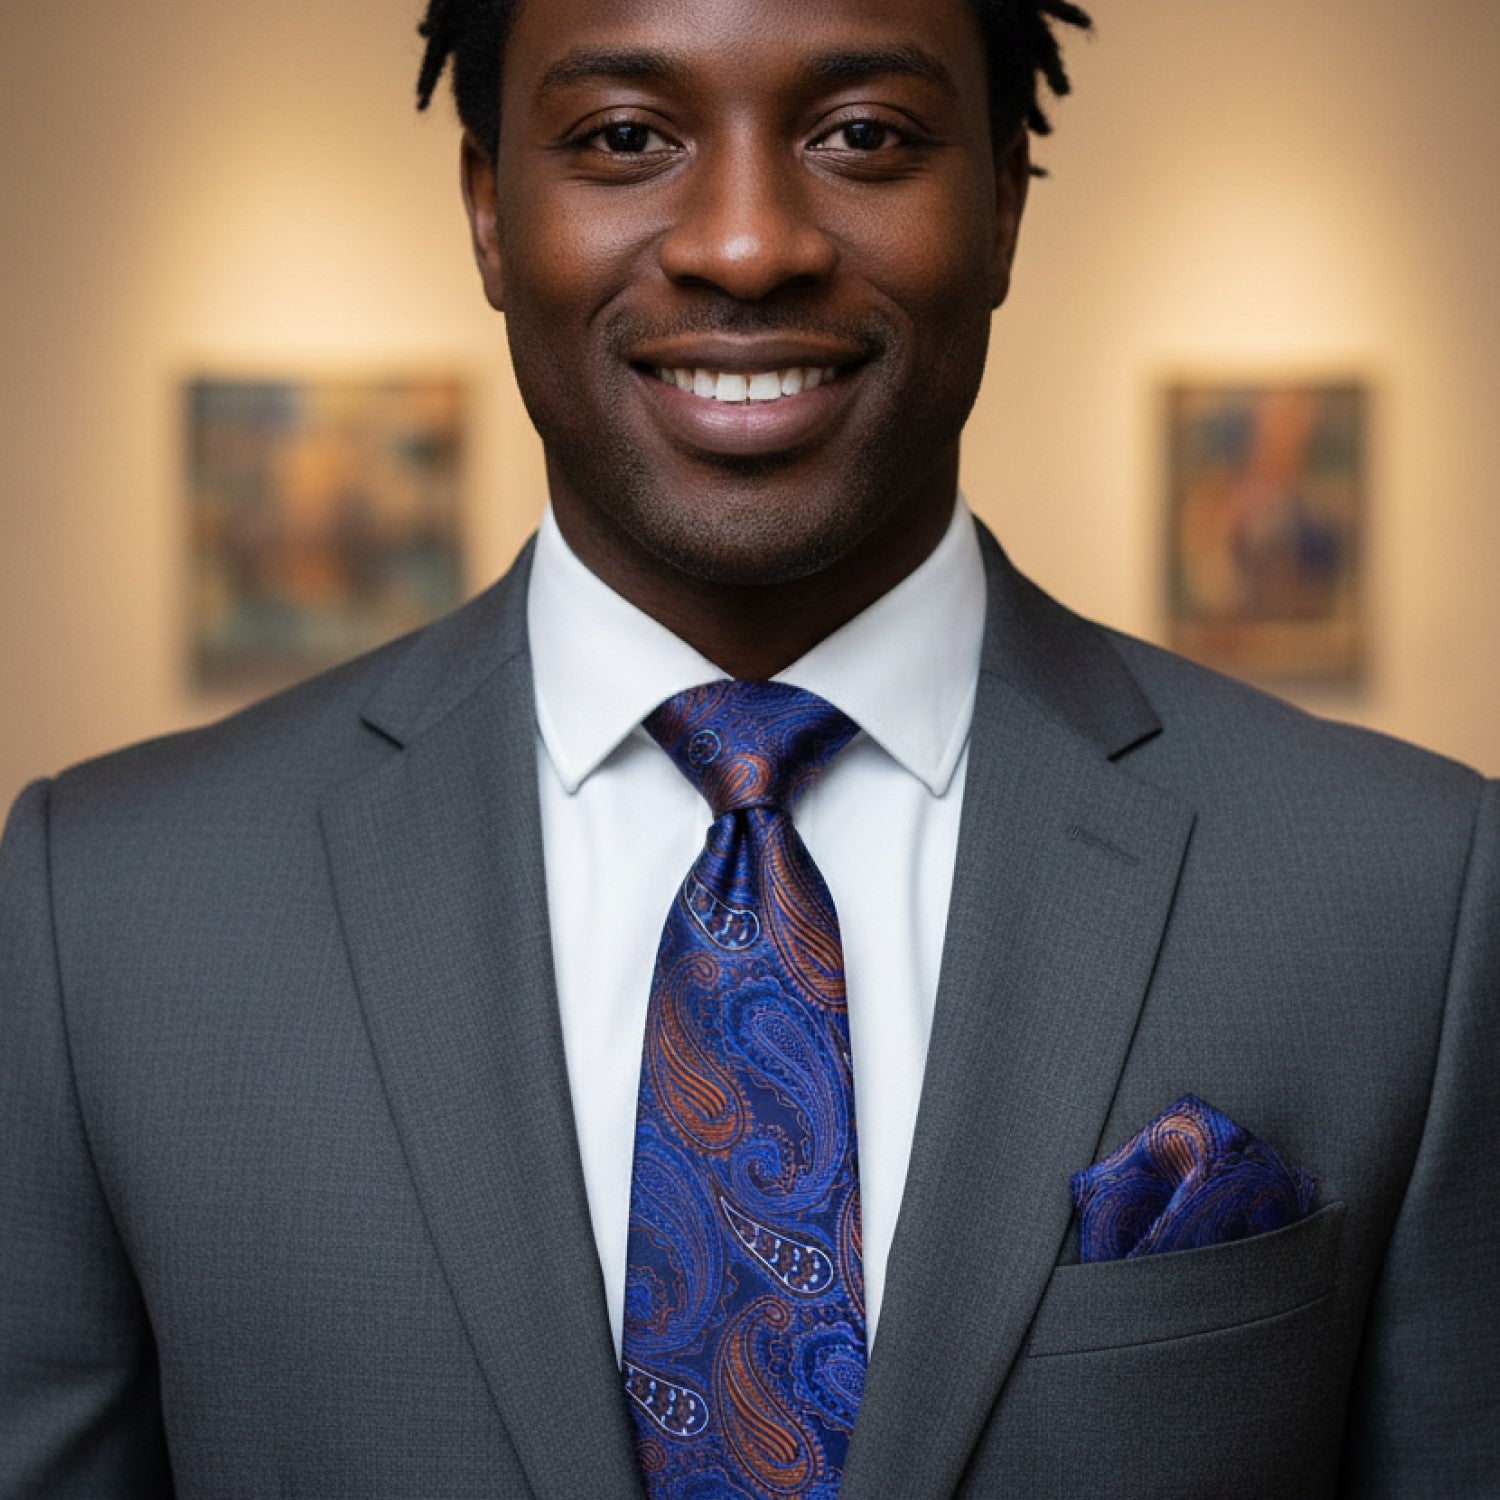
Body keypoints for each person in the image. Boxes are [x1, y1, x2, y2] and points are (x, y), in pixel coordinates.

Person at [1, 0, 1495, 1494]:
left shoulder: (1411, 894)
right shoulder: (109, 917)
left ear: (1002, 210)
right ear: (487, 214)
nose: (745, 243)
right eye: (625, 138)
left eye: (863, 136)